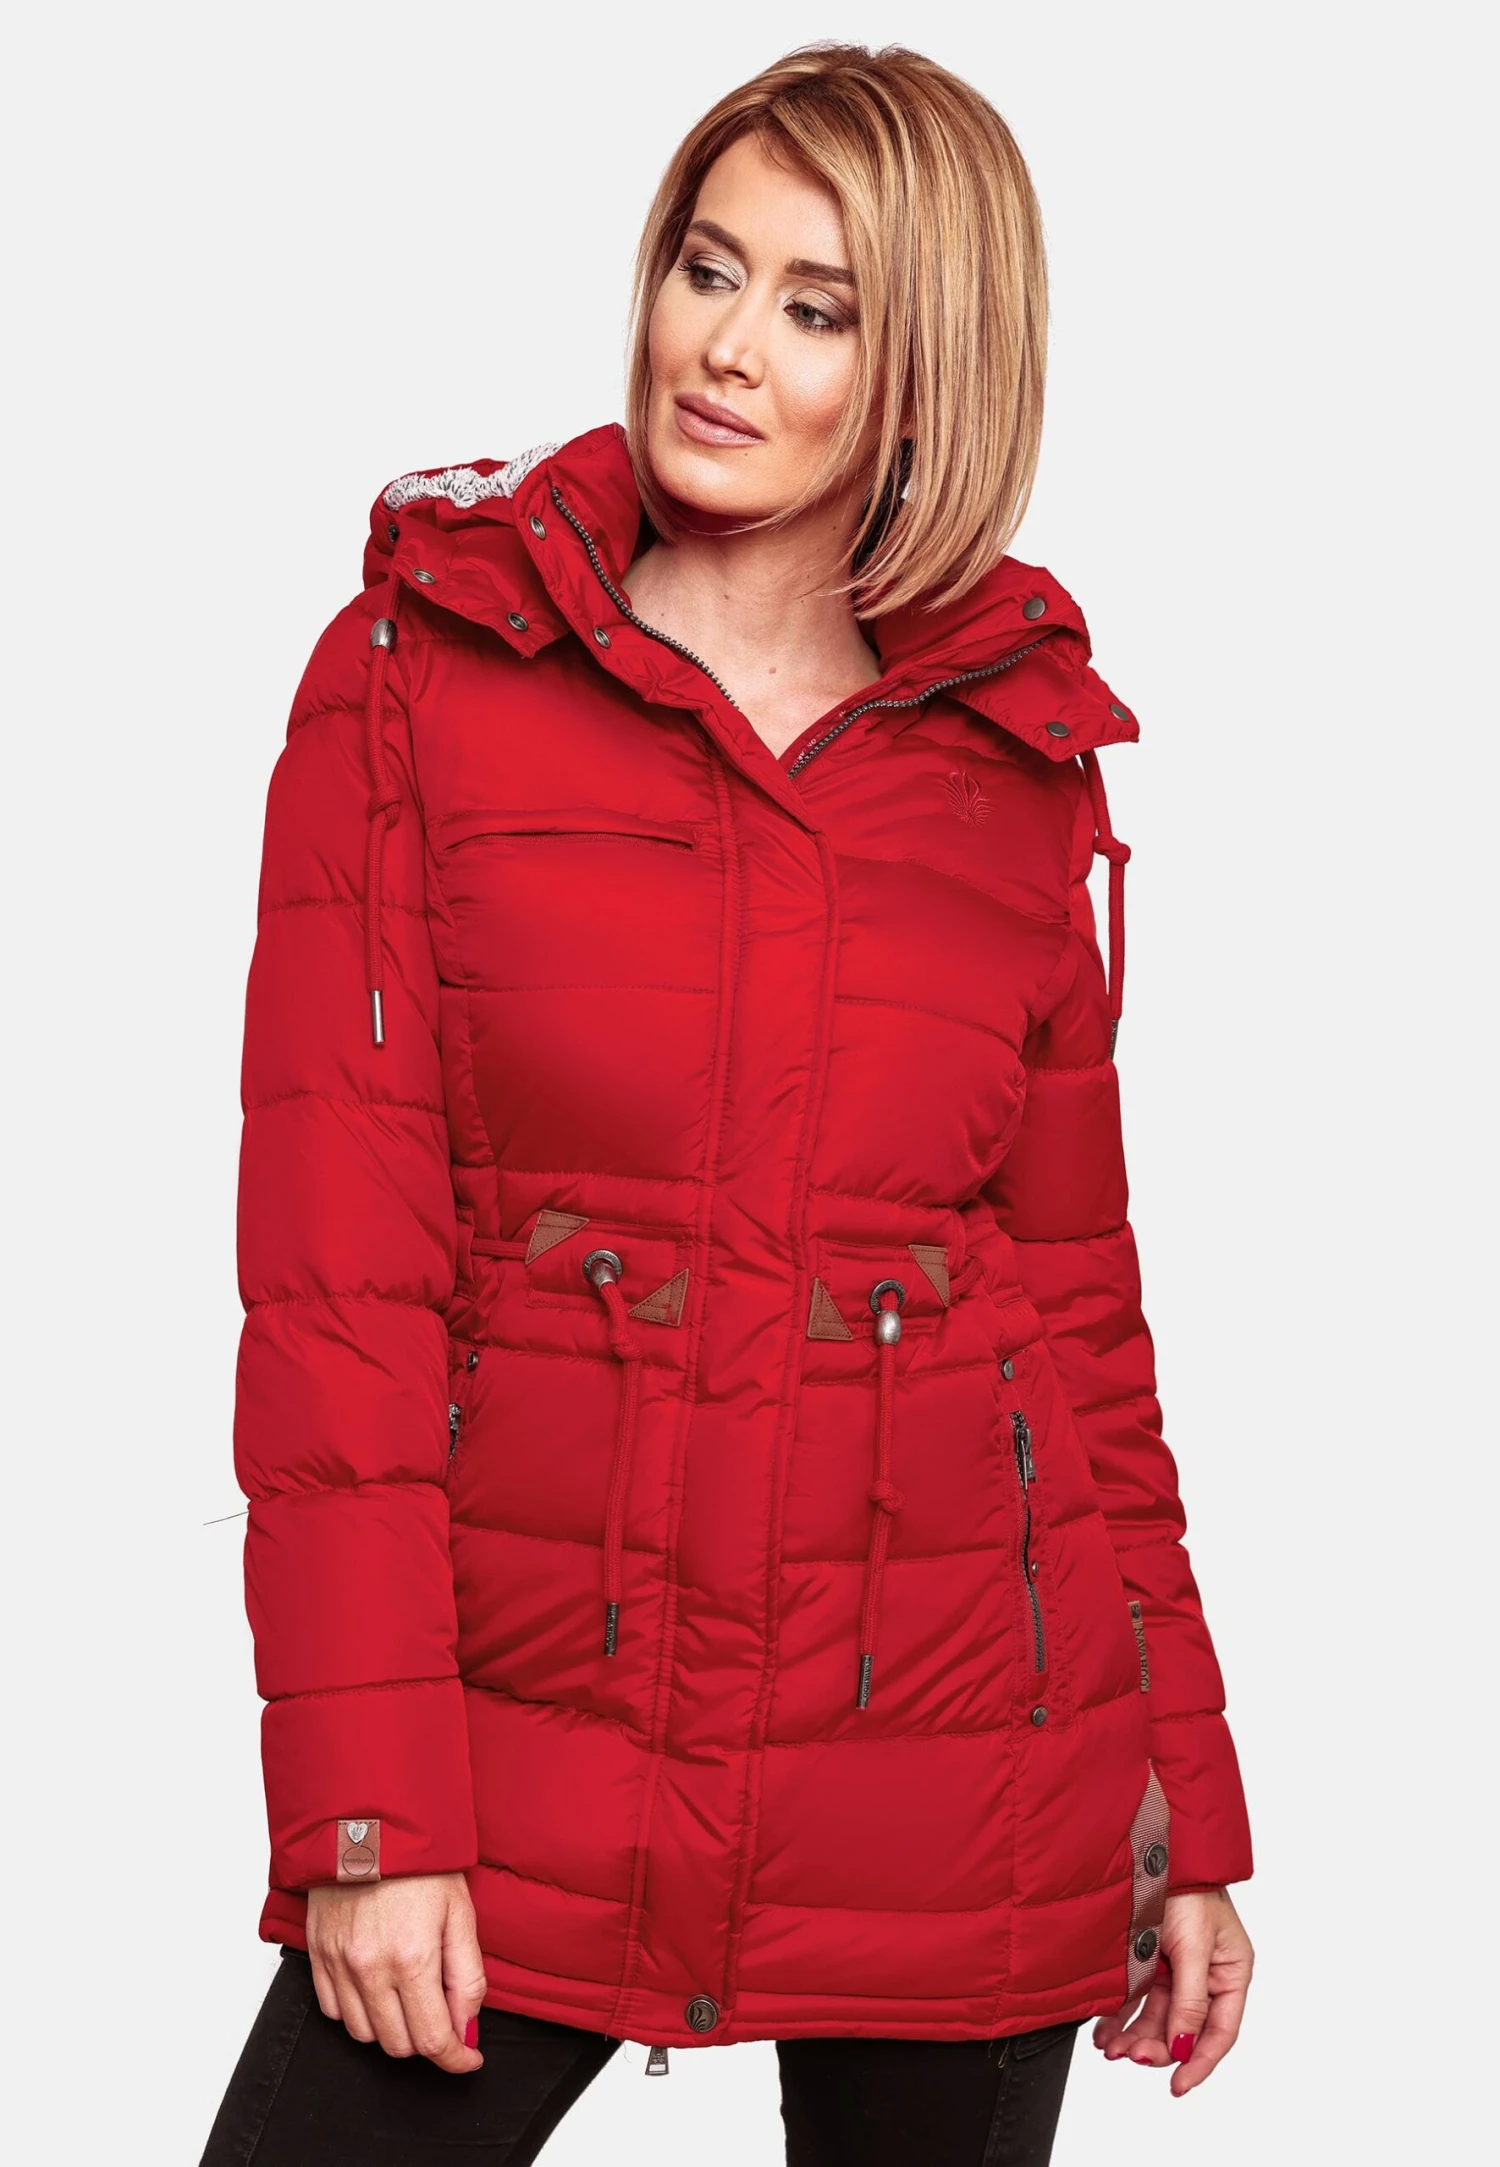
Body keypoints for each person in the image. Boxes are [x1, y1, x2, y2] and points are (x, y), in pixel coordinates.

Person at [201, 41, 1254, 2167]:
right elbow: (340, 1296)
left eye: (817, 306)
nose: (729, 347)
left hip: (963, 1780)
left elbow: (1073, 1317)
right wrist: (370, 1811)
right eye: (710, 266)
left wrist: (1183, 1805)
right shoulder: (428, 672)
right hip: (526, 1750)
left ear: (926, 374)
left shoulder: (1014, 763)